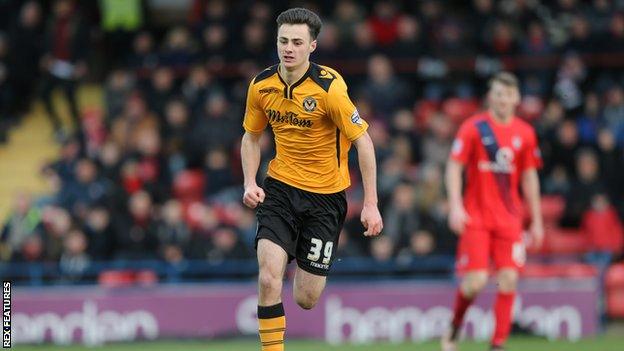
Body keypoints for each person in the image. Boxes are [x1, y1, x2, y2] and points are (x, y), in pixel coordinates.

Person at [240, 8, 383, 351]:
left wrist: (371, 204)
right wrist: (249, 182)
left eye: (297, 42)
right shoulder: (262, 85)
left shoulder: (329, 89)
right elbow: (250, 136)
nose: (288, 48)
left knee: (306, 297)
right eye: (283, 41)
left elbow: (363, 141)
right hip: (280, 189)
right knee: (268, 277)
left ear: (313, 46)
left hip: (326, 198)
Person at [442, 72, 544, 351]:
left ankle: (497, 344)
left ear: (517, 98)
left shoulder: (525, 132)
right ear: (490, 96)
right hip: (476, 218)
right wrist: (455, 205)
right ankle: (454, 325)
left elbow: (529, 177)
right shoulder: (474, 127)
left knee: (509, 278)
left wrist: (535, 220)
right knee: (474, 283)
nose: (503, 99)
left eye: (508, 94)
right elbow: (454, 166)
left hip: (510, 219)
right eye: (498, 93)